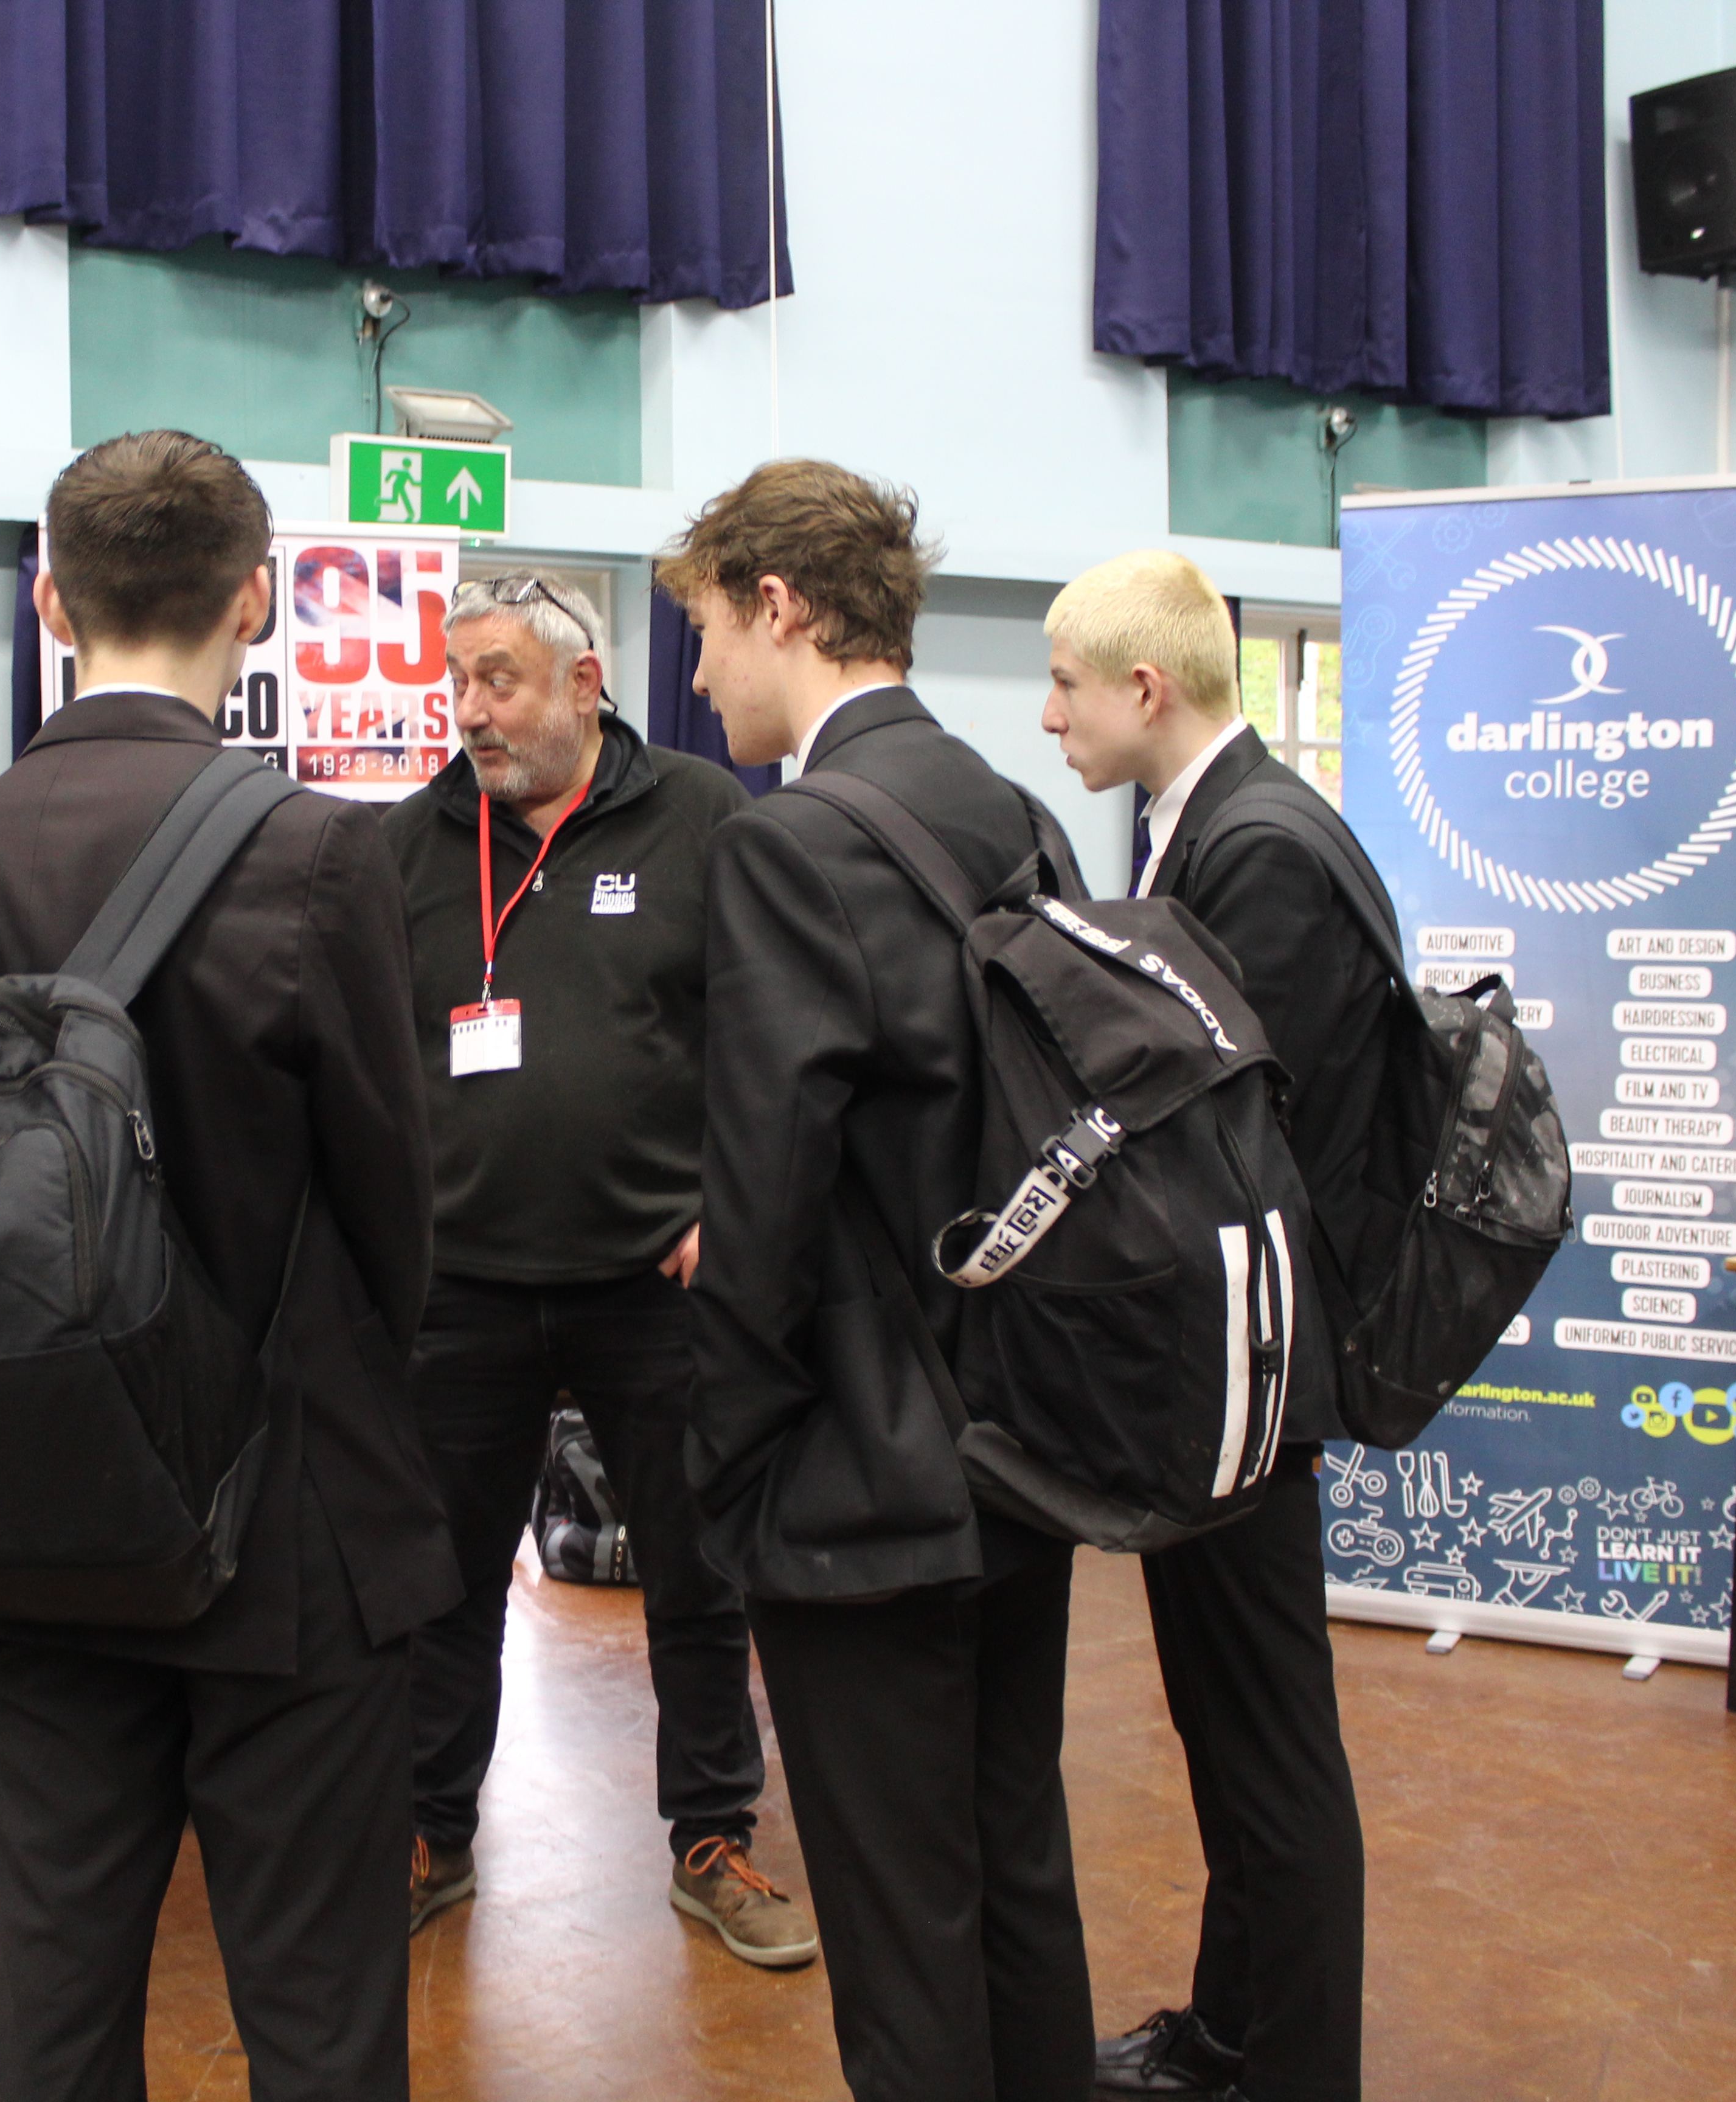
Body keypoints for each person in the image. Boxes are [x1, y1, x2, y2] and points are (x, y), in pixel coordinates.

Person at [0, 430, 448, 2100]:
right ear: (256, 599)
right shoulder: (321, 855)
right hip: (289, 1524)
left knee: (53, 1994)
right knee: (322, 2011)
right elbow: (396, 1209)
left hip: (30, 1513)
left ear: (50, 598)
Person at [670, 462, 1096, 2102]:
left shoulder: (791, 848)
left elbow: (764, 1199)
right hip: (1024, 1442)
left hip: (858, 1474)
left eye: (708, 630)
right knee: (1013, 1866)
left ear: (780, 604)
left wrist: (728, 1452)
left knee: (899, 1922)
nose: (701, 677)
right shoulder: (1023, 815)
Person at [382, 573, 810, 1965]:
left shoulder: (701, 817)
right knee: (445, 1583)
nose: (470, 711)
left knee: (699, 1574)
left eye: (498, 679)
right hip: (465, 1291)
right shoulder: (412, 845)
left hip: (654, 1284)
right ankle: (432, 1828)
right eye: (456, 680)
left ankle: (711, 1835)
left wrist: (722, 1202)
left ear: (585, 683)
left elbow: (765, 1031)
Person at [1039, 550, 1372, 2102]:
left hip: (1258, 1359)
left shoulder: (1260, 852)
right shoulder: (1217, 832)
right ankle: (1235, 2035)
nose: (1048, 719)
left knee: (1268, 1744)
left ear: (1144, 688)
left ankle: (1288, 2065)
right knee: (1236, 1739)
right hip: (1239, 1353)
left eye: (1062, 685)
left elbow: (1243, 1132)